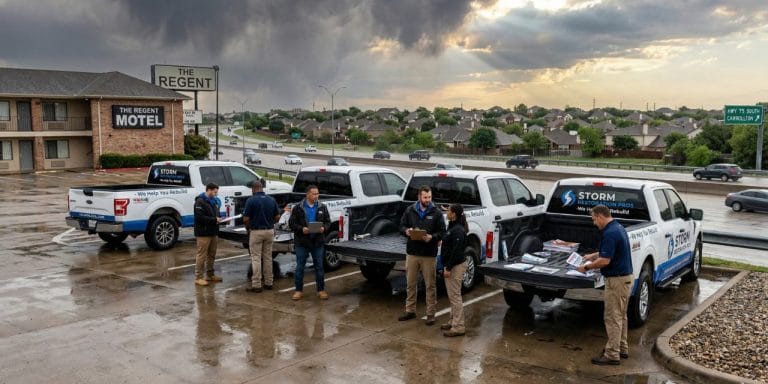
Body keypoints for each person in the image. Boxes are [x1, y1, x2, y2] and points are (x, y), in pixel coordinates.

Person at [577, 204, 633, 365]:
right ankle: (621, 347)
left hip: (616, 281)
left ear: (601, 216)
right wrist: (592, 256)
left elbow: (605, 260)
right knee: (621, 316)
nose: (594, 223)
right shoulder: (617, 227)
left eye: (594, 219)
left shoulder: (610, 233)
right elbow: (607, 252)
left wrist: (585, 267)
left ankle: (612, 354)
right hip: (625, 278)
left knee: (612, 317)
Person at [398, 185, 446, 325]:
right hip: (412, 253)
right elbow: (401, 226)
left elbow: (442, 232)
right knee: (410, 284)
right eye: (425, 197)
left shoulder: (436, 213)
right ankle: (410, 310)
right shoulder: (410, 210)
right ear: (419, 197)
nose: (427, 200)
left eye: (429, 197)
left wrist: (432, 237)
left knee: (430, 285)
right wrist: (407, 231)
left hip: (429, 255)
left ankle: (431, 314)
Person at [288, 185, 331, 300]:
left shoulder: (322, 207)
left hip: (317, 242)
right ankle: (298, 291)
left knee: (319, 267)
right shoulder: (298, 208)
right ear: (307, 194)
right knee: (300, 267)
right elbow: (292, 223)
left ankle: (321, 290)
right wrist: (302, 229)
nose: (316, 196)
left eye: (317, 194)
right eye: (314, 194)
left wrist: (324, 228)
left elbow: (328, 222)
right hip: (302, 242)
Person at [242, 180, 281, 293]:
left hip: (256, 232)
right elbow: (278, 216)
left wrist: (248, 227)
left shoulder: (251, 200)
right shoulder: (271, 199)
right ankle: (269, 282)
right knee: (268, 258)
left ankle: (257, 285)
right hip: (269, 231)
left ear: (253, 189)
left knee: (256, 258)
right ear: (262, 188)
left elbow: (245, 219)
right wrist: (270, 222)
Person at [441, 203, 468, 337]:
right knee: (452, 296)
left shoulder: (458, 230)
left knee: (455, 296)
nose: (446, 213)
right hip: (452, 264)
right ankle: (453, 321)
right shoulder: (452, 226)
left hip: (456, 266)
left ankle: (458, 326)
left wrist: (448, 267)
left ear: (454, 214)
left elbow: (457, 252)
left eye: (448, 211)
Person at [193, 182, 222, 286]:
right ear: (209, 190)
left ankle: (210, 275)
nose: (216, 194)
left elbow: (216, 214)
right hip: (203, 233)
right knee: (202, 255)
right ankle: (198, 277)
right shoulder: (200, 202)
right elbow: (199, 218)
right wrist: (214, 219)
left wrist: (219, 219)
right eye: (214, 192)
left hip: (213, 232)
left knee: (212, 254)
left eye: (216, 192)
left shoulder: (213, 202)